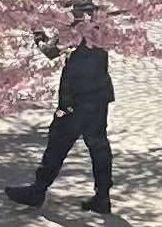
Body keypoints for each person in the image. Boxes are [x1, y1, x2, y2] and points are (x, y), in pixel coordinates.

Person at [15, 25, 114, 213]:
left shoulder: (78, 25)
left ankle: (38, 190)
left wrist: (37, 32)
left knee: (58, 142)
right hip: (98, 96)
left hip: (75, 100)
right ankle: (103, 196)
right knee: (98, 145)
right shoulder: (101, 23)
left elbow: (51, 51)